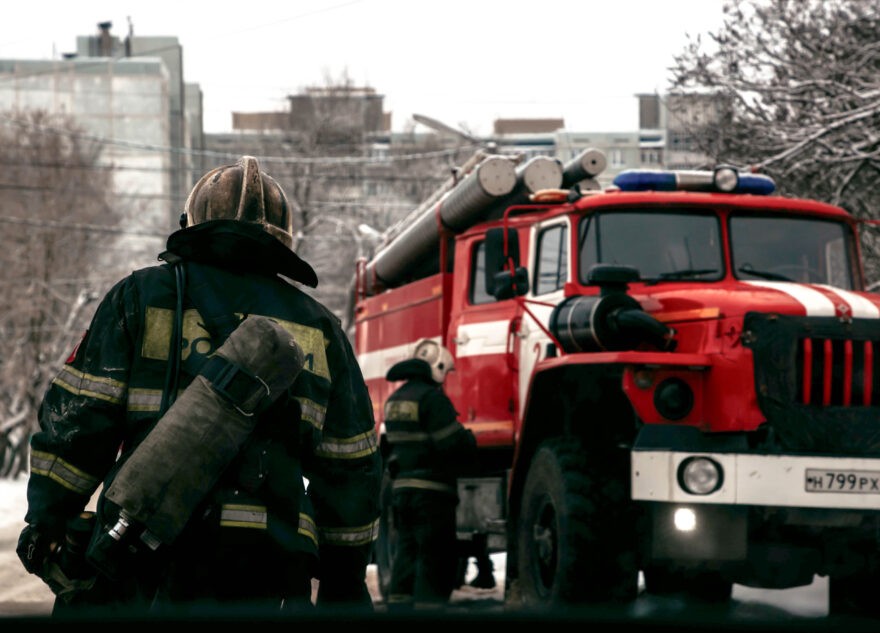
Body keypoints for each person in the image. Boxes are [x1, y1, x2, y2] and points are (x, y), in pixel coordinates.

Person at [16, 155, 382, 617]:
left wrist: (47, 520)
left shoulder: (141, 297)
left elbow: (79, 418)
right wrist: (345, 581)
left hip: (140, 557)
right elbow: (352, 467)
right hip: (266, 573)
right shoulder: (319, 328)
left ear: (192, 223)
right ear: (283, 239)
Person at [383, 339, 477, 611]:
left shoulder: (394, 400)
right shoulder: (432, 399)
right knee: (434, 557)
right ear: (437, 368)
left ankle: (398, 610)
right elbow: (451, 444)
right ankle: (429, 615)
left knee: (406, 552)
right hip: (432, 492)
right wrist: (468, 439)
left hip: (403, 490)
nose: (445, 379)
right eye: (445, 373)